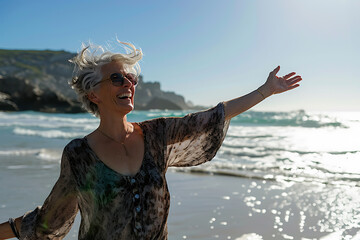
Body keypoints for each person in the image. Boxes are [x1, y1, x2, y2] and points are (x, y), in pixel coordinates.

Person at [0, 41, 302, 240]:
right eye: (117, 78)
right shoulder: (80, 154)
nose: (128, 84)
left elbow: (211, 117)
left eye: (131, 79)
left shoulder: (156, 135)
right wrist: (5, 231)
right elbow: (51, 219)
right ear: (94, 94)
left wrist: (264, 92)